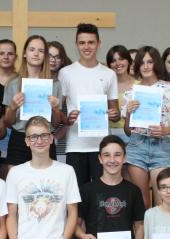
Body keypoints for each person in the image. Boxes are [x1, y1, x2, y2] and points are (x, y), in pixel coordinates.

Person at [58, 23, 121, 185]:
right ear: (76, 44)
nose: (87, 47)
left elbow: (115, 111)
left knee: (102, 194)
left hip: (102, 146)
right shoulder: (65, 73)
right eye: (82, 43)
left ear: (99, 44)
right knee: (78, 196)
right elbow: (58, 113)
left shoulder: (109, 74)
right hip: (75, 145)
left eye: (91, 42)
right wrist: (67, 119)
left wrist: (114, 114)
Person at [123, 46, 170, 209]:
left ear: (156, 63)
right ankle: (143, 234)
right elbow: (128, 131)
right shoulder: (131, 92)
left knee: (163, 199)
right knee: (141, 201)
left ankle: (160, 235)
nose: (146, 66)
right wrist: (129, 113)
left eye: (150, 62)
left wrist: (165, 130)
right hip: (137, 145)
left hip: (161, 145)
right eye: (142, 62)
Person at [2, 35, 63, 168]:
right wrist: (13, 107)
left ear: (45, 55)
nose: (36, 54)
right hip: (20, 138)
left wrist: (56, 110)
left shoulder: (55, 85)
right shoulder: (13, 83)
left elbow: (56, 123)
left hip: (45, 138)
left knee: (48, 182)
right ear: (24, 53)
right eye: (32, 49)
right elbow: (8, 122)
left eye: (41, 51)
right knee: (16, 181)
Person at [0, 39, 19, 162]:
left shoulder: (22, 80)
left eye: (10, 54)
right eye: (1, 53)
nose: (6, 57)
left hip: (14, 132)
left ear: (16, 57)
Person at [106, 45, 136, 144]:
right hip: (109, 135)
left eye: (121, 59)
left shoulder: (140, 86)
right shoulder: (104, 87)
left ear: (129, 61)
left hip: (134, 135)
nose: (118, 63)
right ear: (109, 65)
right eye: (113, 61)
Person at [48, 41, 73, 161]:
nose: (53, 60)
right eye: (49, 56)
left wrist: (67, 121)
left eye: (57, 57)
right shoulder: (36, 80)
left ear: (62, 60)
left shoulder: (67, 79)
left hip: (65, 135)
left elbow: (68, 111)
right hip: (46, 134)